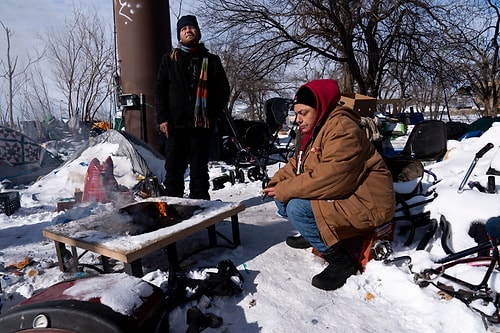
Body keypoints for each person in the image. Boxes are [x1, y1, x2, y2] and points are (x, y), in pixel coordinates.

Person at [262, 79, 395, 291]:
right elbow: (298, 163)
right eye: (296, 114)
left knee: (297, 208)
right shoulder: (317, 129)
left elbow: (332, 178)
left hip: (368, 203)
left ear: (320, 107)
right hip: (348, 194)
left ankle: (341, 262)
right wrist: (276, 183)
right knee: (282, 201)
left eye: (303, 113)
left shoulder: (342, 129)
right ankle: (314, 235)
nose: (298, 120)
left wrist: (285, 189)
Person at [154, 15, 230, 200]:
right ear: (179, 36)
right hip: (175, 126)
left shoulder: (211, 61)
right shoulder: (169, 60)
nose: (188, 30)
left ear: (198, 32)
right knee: (173, 171)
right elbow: (160, 91)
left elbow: (223, 91)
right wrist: (162, 118)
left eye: (191, 27)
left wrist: (211, 115)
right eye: (183, 28)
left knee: (199, 171)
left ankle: (201, 212)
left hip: (201, 126)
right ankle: (173, 209)